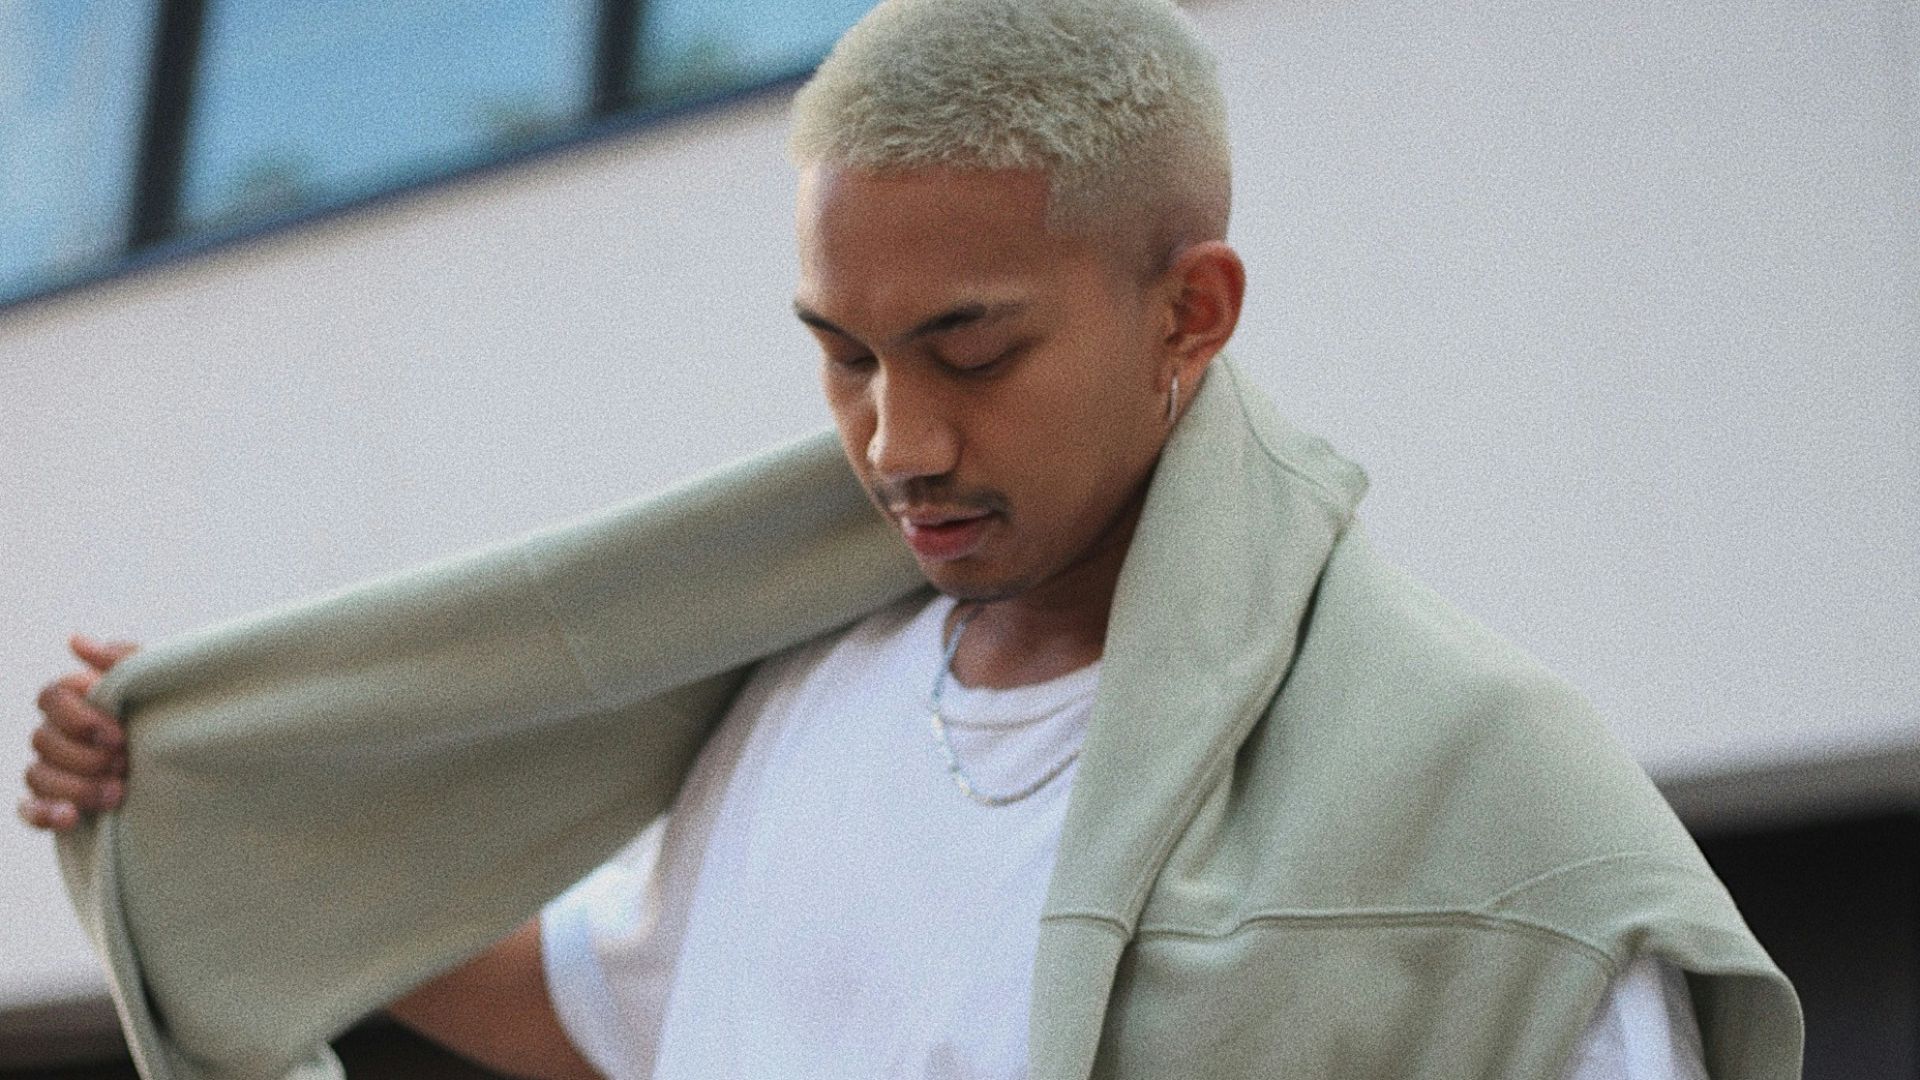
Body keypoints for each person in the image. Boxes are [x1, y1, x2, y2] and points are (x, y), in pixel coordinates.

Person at [20, 1, 1799, 1078]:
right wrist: (220, 827)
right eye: (842, 354)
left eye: (973, 349)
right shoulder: (809, 688)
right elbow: (622, 1016)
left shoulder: (1490, 799)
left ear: (1192, 313)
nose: (898, 439)